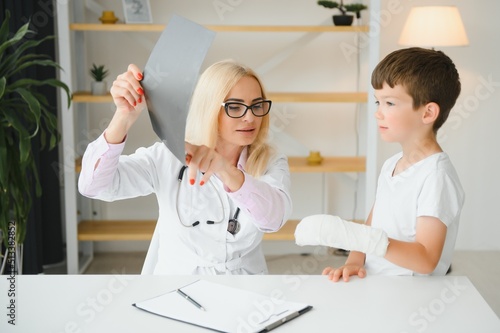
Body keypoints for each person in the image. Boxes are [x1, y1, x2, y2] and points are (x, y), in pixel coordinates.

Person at [78, 60, 292, 275]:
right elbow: (94, 186)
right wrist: (123, 117)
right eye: (234, 106)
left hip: (247, 286)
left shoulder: (270, 161)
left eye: (257, 105)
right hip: (178, 286)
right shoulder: (168, 156)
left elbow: (273, 220)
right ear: (208, 108)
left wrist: (225, 170)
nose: (250, 117)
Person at [294, 47, 465, 281]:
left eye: (390, 103)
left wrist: (356, 237)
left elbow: (425, 260)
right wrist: (355, 260)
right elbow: (373, 223)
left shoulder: (436, 176)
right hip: (377, 282)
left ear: (427, 113)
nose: (378, 113)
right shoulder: (392, 164)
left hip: (411, 294)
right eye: (378, 102)